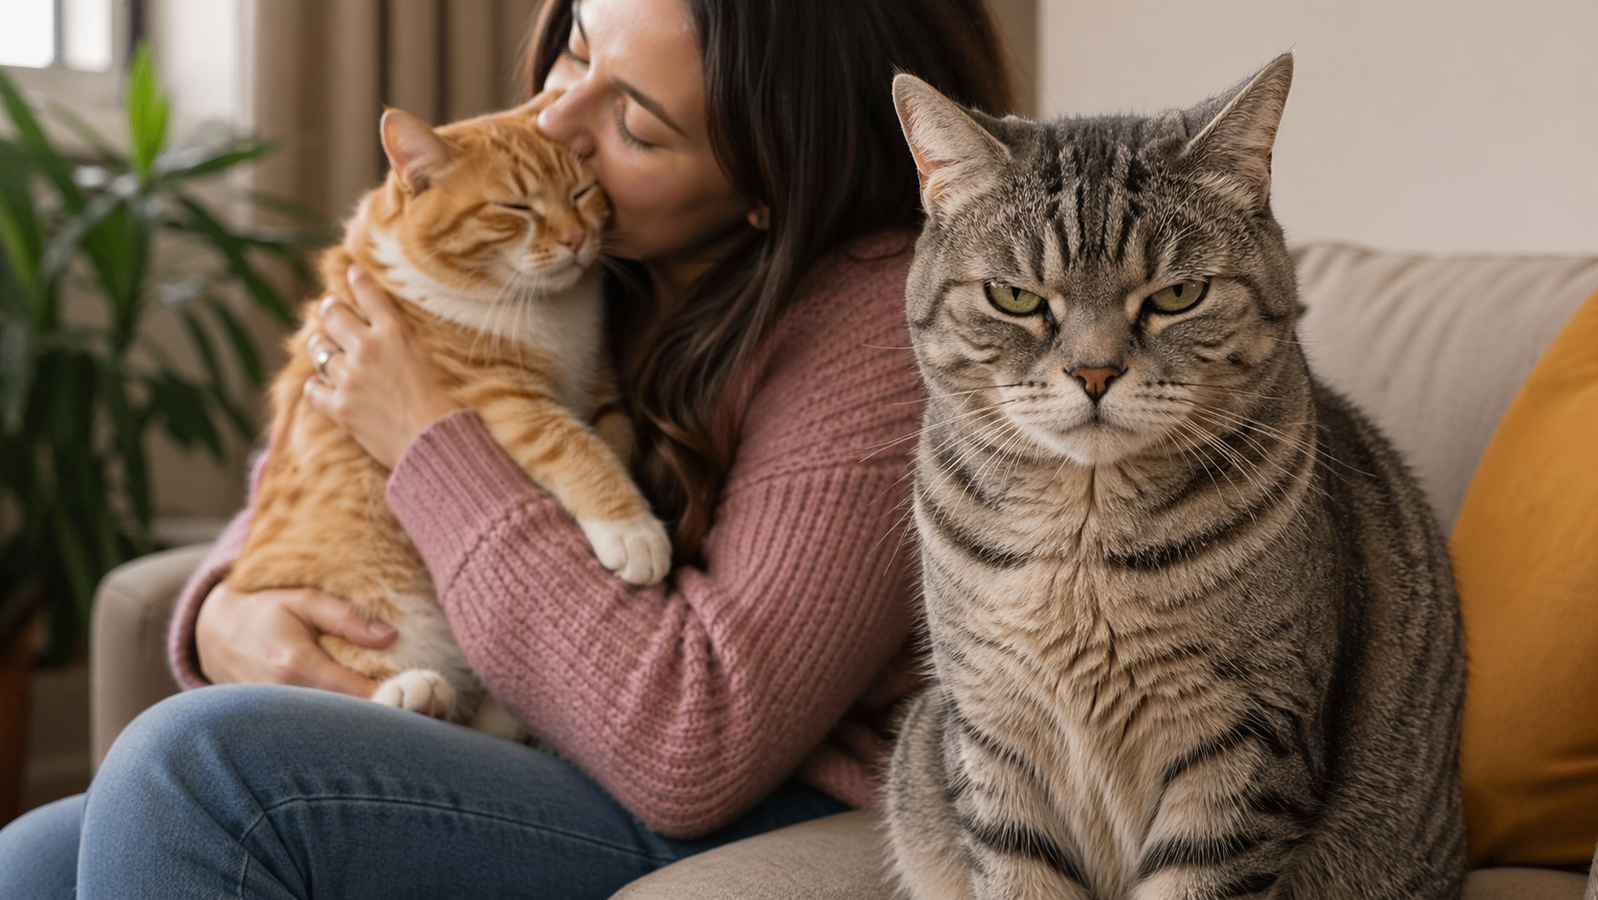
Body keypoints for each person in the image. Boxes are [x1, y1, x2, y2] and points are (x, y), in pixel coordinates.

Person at [0, 0, 1014, 895]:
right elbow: (313, 458)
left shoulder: (880, 331)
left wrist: (429, 437)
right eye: (574, 53)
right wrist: (229, 608)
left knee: (198, 771)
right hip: (542, 728)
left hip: (766, 788)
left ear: (768, 183)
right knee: (33, 860)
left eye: (633, 121)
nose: (555, 123)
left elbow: (695, 744)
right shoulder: (592, 252)